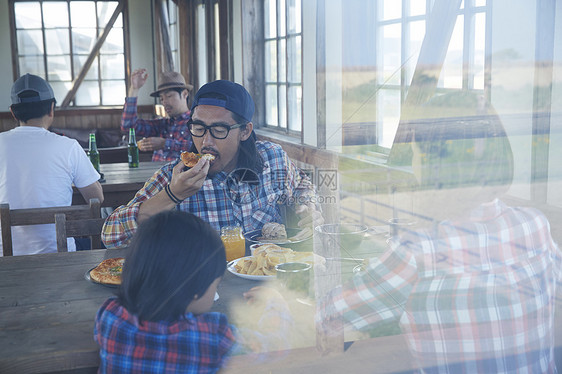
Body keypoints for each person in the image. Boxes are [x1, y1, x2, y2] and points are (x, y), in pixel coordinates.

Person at [316, 92, 561, 372]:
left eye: (417, 151)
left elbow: (331, 315)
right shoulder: (534, 225)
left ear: (434, 163)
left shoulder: (419, 251)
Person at [103, 80, 323, 248]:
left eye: (219, 130)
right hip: (200, 294)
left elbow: (302, 184)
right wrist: (172, 195)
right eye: (198, 128)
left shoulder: (272, 158)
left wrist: (307, 205)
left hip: (268, 288)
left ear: (245, 131)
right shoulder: (175, 176)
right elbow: (109, 235)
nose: (206, 142)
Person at [95, 210, 293, 372]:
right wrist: (275, 303)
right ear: (195, 289)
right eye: (215, 285)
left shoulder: (110, 316)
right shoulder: (211, 336)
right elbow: (274, 346)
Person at [0, 73, 104, 256]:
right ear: (51, 108)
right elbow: (97, 198)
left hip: (6, 259)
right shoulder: (69, 147)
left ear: (13, 112)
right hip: (59, 253)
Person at [121, 68, 193, 162]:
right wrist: (134, 89)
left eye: (169, 96)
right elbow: (128, 126)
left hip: (183, 175)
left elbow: (198, 149)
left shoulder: (196, 122)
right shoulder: (162, 124)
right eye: (161, 98)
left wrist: (164, 143)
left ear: (184, 94)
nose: (164, 102)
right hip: (156, 175)